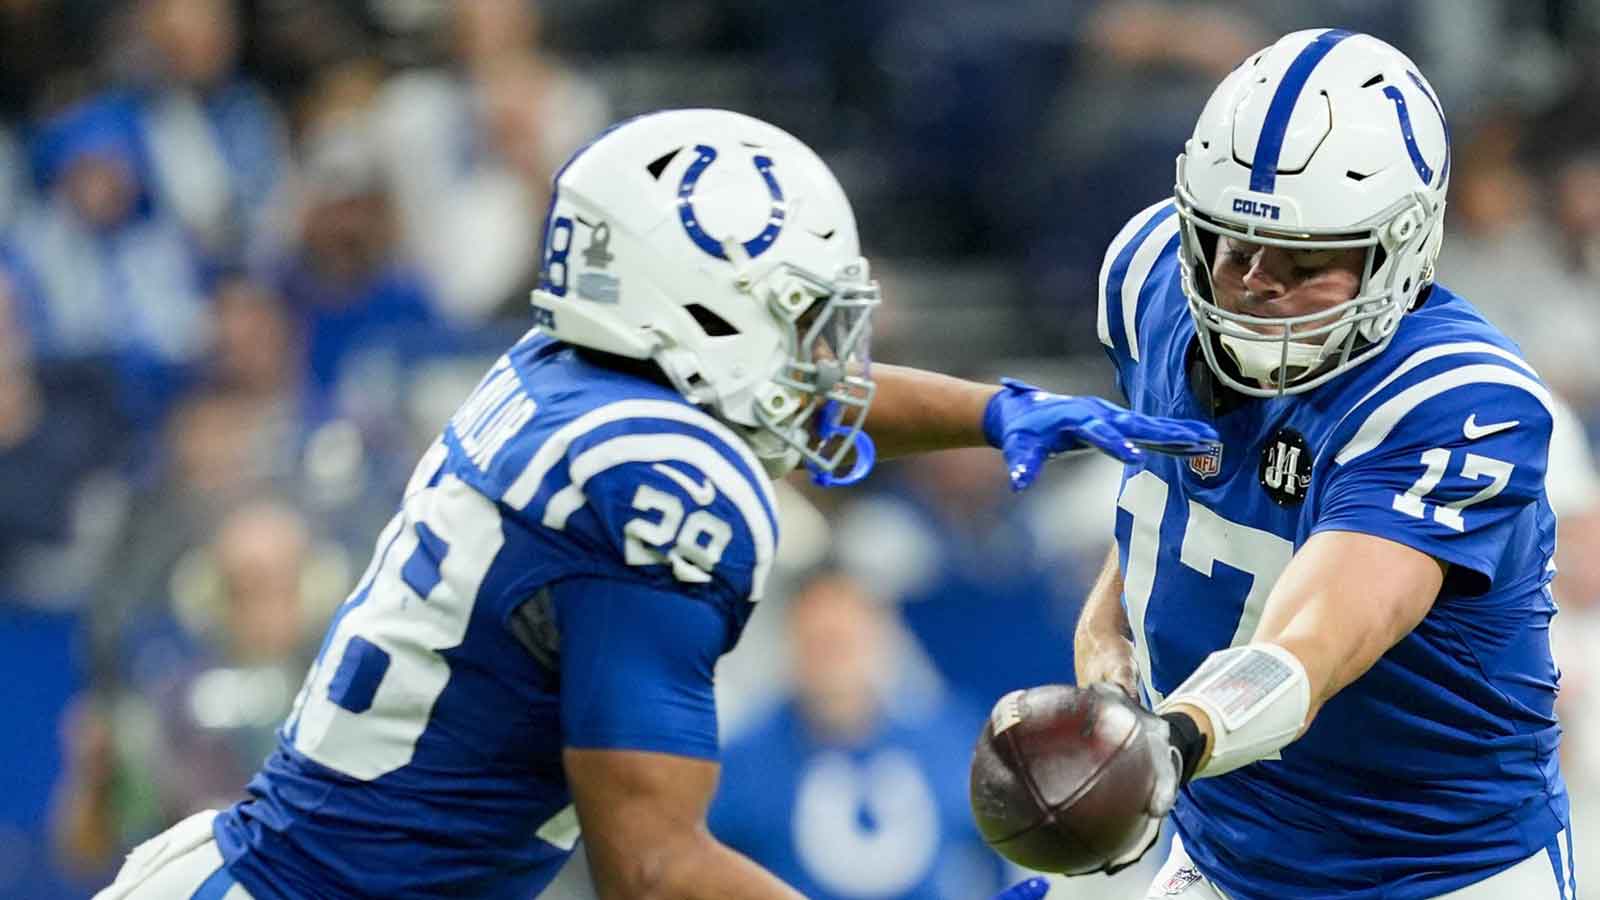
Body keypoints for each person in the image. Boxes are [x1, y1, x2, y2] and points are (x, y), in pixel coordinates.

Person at [91, 108, 1216, 900]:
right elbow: (653, 869)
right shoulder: (666, 492)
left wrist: (993, 411)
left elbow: (785, 391)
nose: (833, 358)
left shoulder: (557, 366)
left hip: (247, 869)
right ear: (701, 317)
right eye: (801, 317)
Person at [898, 28, 1573, 899]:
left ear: (1402, 252)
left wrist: (1164, 743)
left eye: (1306, 262)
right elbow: (1183, 494)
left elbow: (1311, 643)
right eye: (1231, 245)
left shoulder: (1455, 399)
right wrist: (1115, 625)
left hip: (1435, 872)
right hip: (1226, 852)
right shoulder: (1152, 277)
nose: (1254, 283)